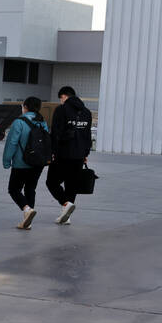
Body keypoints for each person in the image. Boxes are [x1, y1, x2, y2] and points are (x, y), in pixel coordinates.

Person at [47, 85, 92, 224]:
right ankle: (67, 216)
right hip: (79, 155)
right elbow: (87, 135)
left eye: (61, 99)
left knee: (52, 182)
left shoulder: (61, 110)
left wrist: (52, 152)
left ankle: (65, 204)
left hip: (63, 154)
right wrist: (85, 153)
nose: (61, 101)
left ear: (64, 96)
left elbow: (55, 133)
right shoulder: (86, 112)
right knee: (71, 185)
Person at [3, 95, 48, 229]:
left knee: (14, 189)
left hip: (21, 163)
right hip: (37, 163)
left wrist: (6, 161)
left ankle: (27, 210)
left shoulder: (19, 122)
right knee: (30, 189)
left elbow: (11, 143)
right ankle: (27, 221)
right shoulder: (42, 122)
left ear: (25, 107)